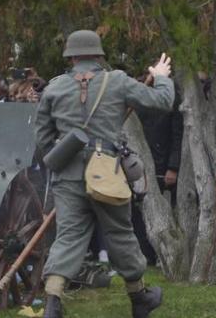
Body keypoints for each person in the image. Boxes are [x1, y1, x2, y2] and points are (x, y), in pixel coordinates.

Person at [35, 30, 173, 318]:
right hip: (106, 172)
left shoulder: (54, 88)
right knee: (120, 234)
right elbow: (162, 101)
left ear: (70, 57)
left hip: (67, 175)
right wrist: (160, 75)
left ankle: (52, 303)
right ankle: (139, 299)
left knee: (68, 237)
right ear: (100, 56)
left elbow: (43, 141)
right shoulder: (118, 81)